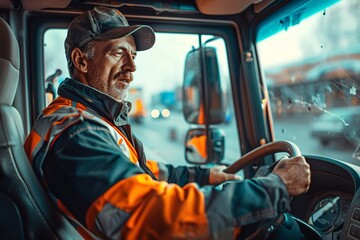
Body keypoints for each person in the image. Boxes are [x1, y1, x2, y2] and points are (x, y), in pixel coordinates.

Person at [24, 6, 311, 240]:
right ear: (81, 61)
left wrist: (208, 176)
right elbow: (146, 215)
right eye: (118, 52)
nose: (132, 67)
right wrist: (275, 187)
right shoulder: (75, 130)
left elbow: (146, 172)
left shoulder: (89, 119)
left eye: (133, 55)